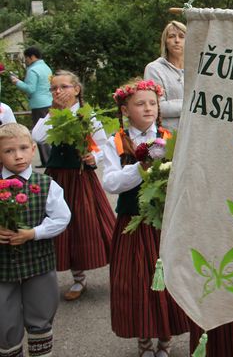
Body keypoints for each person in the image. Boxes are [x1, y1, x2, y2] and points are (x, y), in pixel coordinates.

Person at [101, 79, 189, 357]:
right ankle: (143, 339)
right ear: (125, 110)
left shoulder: (170, 137)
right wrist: (141, 167)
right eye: (140, 103)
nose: (148, 108)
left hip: (164, 222)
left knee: (168, 279)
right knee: (136, 282)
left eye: (153, 103)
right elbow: (111, 183)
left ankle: (165, 337)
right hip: (133, 222)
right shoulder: (116, 141)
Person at [31, 70, 115, 301]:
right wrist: (53, 111)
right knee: (60, 224)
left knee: (86, 223)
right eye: (54, 88)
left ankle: (117, 269)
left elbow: (104, 145)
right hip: (57, 176)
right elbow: (37, 136)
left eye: (63, 87)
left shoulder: (87, 115)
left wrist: (93, 157)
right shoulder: (54, 115)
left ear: (76, 89)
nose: (58, 91)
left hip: (80, 177)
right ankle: (78, 278)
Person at [0, 123, 70, 357]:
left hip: (38, 262)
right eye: (8, 151)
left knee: (41, 313)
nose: (18, 156)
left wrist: (34, 233)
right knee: (4, 319)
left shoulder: (46, 184)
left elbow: (61, 217)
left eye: (23, 148)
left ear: (32, 149)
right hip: (2, 268)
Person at [10, 47, 52, 165]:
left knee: (40, 132)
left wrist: (17, 82)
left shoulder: (33, 70)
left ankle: (46, 160)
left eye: (26, 58)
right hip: (49, 102)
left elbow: (30, 89)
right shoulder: (46, 68)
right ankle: (50, 158)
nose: (26, 61)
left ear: (32, 57)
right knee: (49, 130)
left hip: (38, 104)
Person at [144, 21, 185, 131]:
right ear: (165, 42)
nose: (177, 40)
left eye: (181, 36)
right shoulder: (154, 69)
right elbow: (157, 107)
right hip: (167, 134)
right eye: (172, 36)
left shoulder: (196, 70)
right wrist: (191, 105)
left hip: (193, 133)